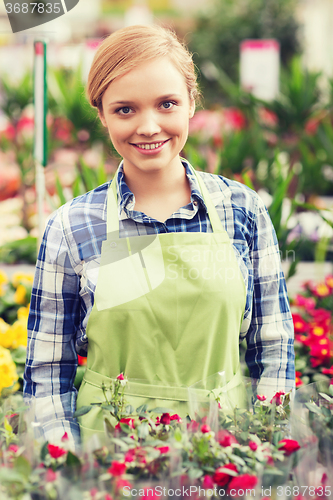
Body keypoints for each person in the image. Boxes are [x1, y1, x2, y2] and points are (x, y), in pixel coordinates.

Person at [24, 24, 295, 447]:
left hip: (223, 457)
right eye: (125, 109)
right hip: (108, 461)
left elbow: (273, 348)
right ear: (102, 115)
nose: (148, 127)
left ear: (192, 104)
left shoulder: (242, 211)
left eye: (166, 104)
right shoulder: (71, 227)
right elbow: (46, 372)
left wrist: (263, 448)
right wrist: (69, 467)